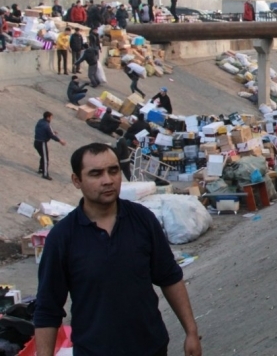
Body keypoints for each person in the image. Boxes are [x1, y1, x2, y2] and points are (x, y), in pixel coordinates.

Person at [34, 143, 202, 356]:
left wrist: (191, 332)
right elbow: (48, 309)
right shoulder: (62, 238)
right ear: (77, 180)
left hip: (151, 347)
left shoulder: (142, 220)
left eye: (113, 171)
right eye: (96, 174)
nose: (108, 180)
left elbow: (169, 277)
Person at [33, 111, 67, 181]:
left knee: (43, 156)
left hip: (36, 141)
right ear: (48, 118)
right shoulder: (47, 125)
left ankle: (41, 169)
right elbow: (51, 135)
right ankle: (45, 174)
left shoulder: (40, 121)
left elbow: (44, 131)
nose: (52, 119)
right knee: (45, 159)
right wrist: (60, 141)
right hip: (42, 143)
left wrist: (52, 132)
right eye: (51, 117)